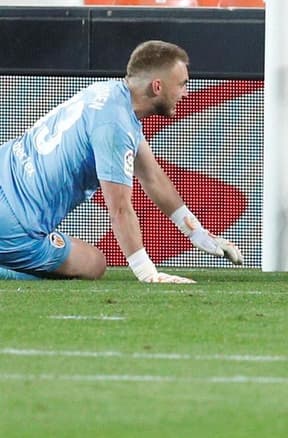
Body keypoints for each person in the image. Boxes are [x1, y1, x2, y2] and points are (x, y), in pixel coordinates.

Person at [0, 40, 244, 283]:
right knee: (94, 264)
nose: (186, 93)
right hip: (15, 224)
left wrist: (196, 232)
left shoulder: (109, 93)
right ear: (157, 87)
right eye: (181, 85)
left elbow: (152, 176)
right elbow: (119, 209)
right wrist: (147, 273)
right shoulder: (115, 125)